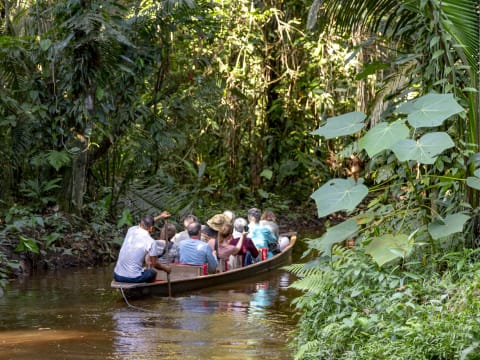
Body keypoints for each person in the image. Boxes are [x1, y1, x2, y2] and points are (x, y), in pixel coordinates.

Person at [113, 213, 171, 283]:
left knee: (144, 269)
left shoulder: (131, 230)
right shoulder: (151, 242)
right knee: (152, 273)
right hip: (133, 278)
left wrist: (160, 216)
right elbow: (155, 264)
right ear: (151, 228)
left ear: (140, 223)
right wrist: (166, 269)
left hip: (117, 275)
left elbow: (146, 223)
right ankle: (148, 291)